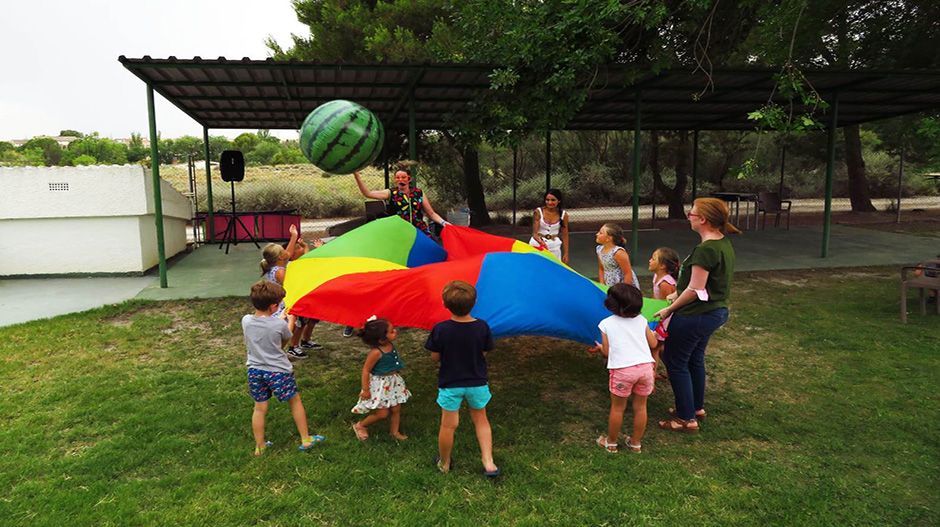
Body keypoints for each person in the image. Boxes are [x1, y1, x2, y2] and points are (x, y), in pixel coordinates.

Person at [653, 198, 738, 433]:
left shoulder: (706, 249)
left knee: (675, 360)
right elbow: (699, 285)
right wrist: (677, 294)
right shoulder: (722, 244)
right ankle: (695, 407)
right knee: (693, 358)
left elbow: (695, 290)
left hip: (696, 316)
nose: (689, 216)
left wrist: (670, 308)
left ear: (702, 219)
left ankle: (685, 418)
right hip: (714, 312)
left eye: (692, 213)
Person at [424, 281, 500, 477]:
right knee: (481, 420)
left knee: (448, 425)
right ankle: (488, 462)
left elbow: (435, 356)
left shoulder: (441, 329)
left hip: (451, 383)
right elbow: (484, 352)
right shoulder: (482, 327)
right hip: (477, 382)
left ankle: (445, 463)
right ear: (474, 302)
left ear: (445, 304)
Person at [242, 281, 325, 455]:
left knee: (259, 408)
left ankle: (260, 446)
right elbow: (283, 340)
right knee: (295, 401)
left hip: (255, 371)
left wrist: (277, 319)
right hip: (278, 371)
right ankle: (306, 439)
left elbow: (266, 328)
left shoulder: (246, 321)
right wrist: (291, 319)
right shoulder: (279, 325)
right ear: (274, 306)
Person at [588, 283, 658, 453]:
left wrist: (599, 348)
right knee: (641, 407)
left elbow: (607, 352)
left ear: (611, 304)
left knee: (618, 407)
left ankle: (611, 443)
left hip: (622, 371)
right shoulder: (642, 321)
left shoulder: (605, 324)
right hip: (645, 369)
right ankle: (635, 443)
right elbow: (654, 344)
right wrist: (652, 334)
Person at [351, 317, 412, 441]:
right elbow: (366, 370)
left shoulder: (390, 345)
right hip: (381, 385)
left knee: (396, 408)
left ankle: (394, 432)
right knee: (382, 414)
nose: (395, 331)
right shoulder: (376, 353)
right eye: (391, 331)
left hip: (393, 382)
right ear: (381, 339)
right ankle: (360, 426)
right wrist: (365, 389)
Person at [352, 167, 446, 237]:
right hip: (398, 230)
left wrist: (444, 223)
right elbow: (367, 193)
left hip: (418, 229)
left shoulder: (419, 193)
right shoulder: (391, 193)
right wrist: (357, 176)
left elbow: (432, 213)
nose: (400, 180)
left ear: (409, 179)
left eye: (403, 177)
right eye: (397, 178)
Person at [259, 225, 307, 360]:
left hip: (279, 302)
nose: (288, 251)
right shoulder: (280, 272)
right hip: (282, 304)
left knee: (285, 330)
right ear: (281, 257)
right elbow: (291, 285)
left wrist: (293, 236)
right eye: (283, 250)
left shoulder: (277, 265)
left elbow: (289, 252)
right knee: (286, 330)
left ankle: (277, 353)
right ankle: (275, 354)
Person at [284, 235, 325, 353]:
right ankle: (293, 347)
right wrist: (319, 250)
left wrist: (306, 246)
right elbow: (310, 262)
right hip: (300, 299)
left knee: (312, 320)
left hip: (310, 297)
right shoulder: (293, 265)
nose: (301, 250)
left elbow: (308, 258)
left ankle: (306, 341)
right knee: (299, 324)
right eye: (298, 248)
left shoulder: (300, 261)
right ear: (291, 255)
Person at [648, 247, 679, 380]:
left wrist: (659, 324)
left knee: (654, 348)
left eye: (653, 259)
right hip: (658, 317)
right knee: (661, 349)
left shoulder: (665, 283)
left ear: (662, 266)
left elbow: (668, 305)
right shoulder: (657, 276)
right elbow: (657, 299)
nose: (650, 260)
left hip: (665, 321)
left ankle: (651, 377)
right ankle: (673, 371)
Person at [528, 188, 570, 263]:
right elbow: (535, 233)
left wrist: (566, 253)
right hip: (537, 244)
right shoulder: (538, 212)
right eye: (547, 200)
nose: (550, 202)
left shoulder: (564, 215)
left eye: (553, 200)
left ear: (559, 201)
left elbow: (565, 235)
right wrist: (541, 242)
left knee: (554, 270)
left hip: (554, 246)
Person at [595, 223, 640, 289]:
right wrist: (602, 286)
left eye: (600, 233)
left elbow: (628, 273)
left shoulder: (618, 253)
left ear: (608, 238)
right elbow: (601, 268)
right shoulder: (599, 250)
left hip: (623, 286)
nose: (597, 234)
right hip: (610, 285)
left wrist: (623, 291)